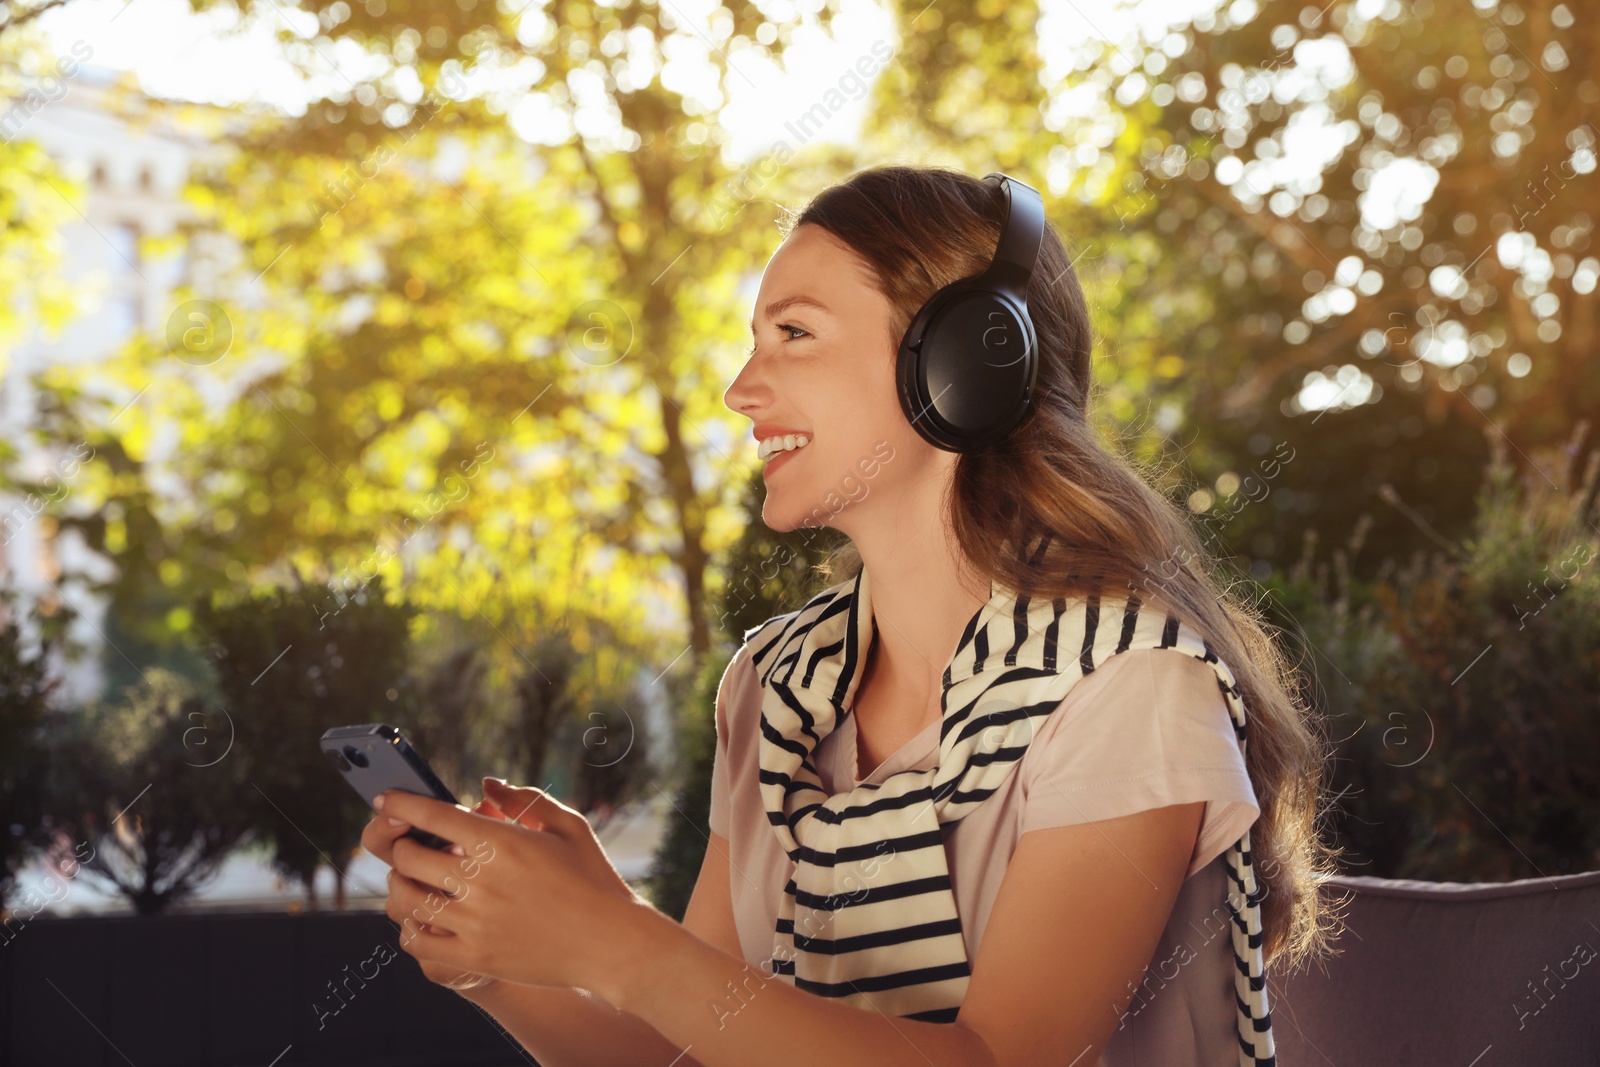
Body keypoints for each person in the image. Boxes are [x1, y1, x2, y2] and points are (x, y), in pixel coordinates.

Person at [362, 164, 1340, 1067]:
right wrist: (508, 953)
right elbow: (691, 1049)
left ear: (962, 364)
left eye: (792, 334)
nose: (742, 390)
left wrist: (615, 940)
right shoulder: (775, 687)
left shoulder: (1127, 682)